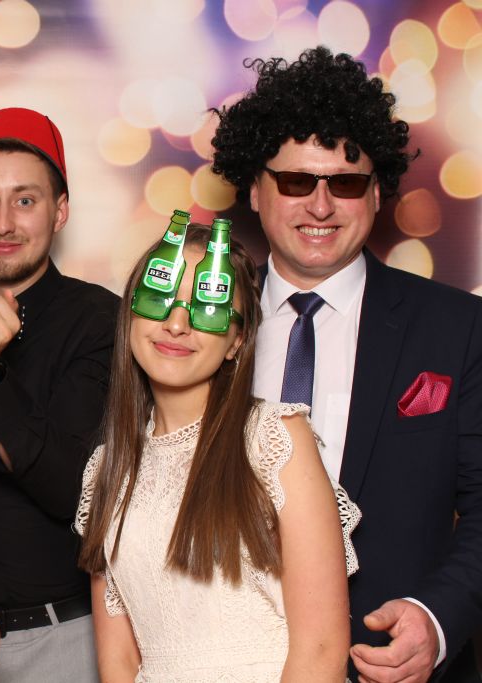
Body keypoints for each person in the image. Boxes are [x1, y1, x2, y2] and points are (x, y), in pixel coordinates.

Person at [212, 46, 482, 682]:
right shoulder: (201, 326)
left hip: (385, 664)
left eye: (347, 183)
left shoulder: (459, 329)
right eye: (296, 182)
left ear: (378, 192)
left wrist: (436, 618)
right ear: (255, 190)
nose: (321, 206)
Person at [76, 224, 357, 681]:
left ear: (237, 340)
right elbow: (119, 661)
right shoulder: (107, 468)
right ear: (130, 313)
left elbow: (321, 649)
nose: (177, 324)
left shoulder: (274, 438)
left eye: (209, 307)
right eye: (160, 297)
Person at [0, 107, 118, 682]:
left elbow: (69, 491)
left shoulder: (101, 321)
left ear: (60, 211)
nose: (2, 223)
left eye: (25, 200)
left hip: (65, 640)